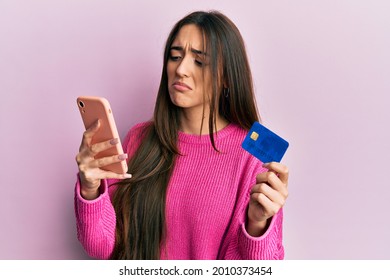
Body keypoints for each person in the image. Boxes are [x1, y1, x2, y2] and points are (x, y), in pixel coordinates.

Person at [75, 10, 289, 260]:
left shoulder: (253, 156)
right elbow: (103, 247)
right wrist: (90, 190)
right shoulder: (139, 138)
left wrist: (257, 225)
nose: (181, 69)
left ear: (227, 78)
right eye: (175, 57)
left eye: (199, 61)